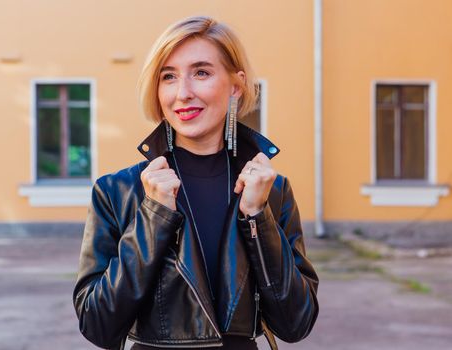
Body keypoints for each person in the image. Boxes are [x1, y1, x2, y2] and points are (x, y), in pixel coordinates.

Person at [73, 16, 319, 350]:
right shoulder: (117, 191)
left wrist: (257, 217)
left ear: (236, 86)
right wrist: (154, 216)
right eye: (169, 77)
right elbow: (97, 324)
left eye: (201, 72)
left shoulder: (271, 191)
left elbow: (296, 323)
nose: (183, 93)